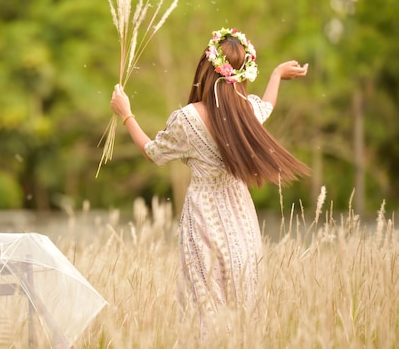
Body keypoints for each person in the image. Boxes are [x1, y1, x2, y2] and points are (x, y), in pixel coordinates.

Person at [109, 27, 310, 323]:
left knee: (205, 303)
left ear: (205, 68)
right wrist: (277, 75)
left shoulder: (188, 119)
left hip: (204, 217)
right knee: (243, 300)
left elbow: (153, 152)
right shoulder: (246, 114)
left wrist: (126, 114)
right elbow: (267, 105)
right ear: (242, 74)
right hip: (241, 216)